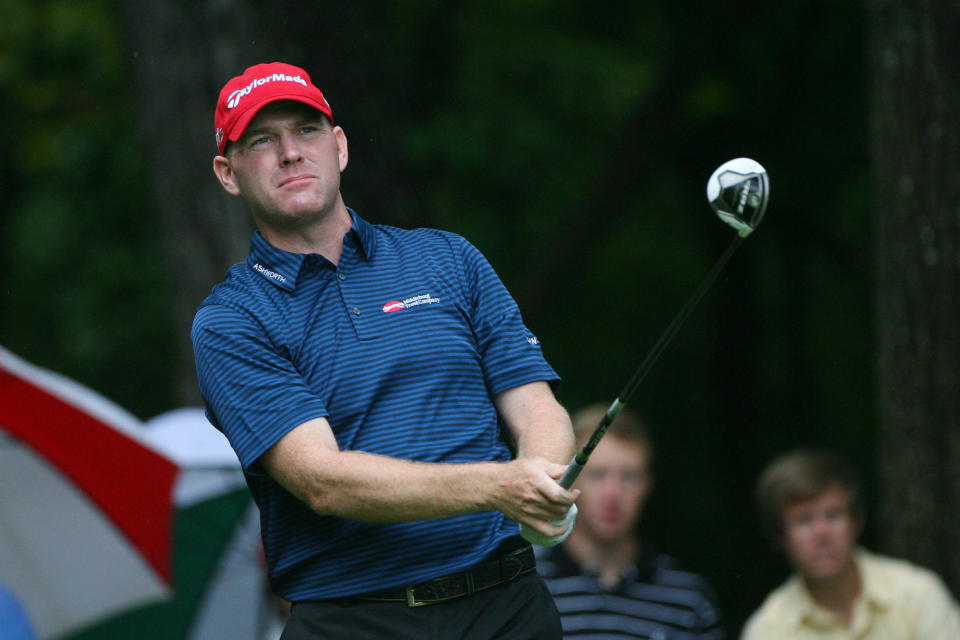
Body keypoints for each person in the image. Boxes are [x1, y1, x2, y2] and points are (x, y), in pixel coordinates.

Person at [192, 61, 579, 640]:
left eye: (306, 130)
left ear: (339, 147)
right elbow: (323, 481)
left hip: (508, 606)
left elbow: (537, 408)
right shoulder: (231, 320)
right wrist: (503, 487)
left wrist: (544, 480)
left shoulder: (449, 258)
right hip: (357, 621)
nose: (291, 153)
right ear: (229, 173)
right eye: (262, 140)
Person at [537, 403, 724, 638]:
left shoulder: (688, 599)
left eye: (629, 476)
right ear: (570, 480)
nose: (613, 493)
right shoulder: (528, 588)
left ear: (648, 485)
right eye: (597, 475)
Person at [741, 447, 960, 639]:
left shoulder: (917, 595)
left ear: (856, 521)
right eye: (804, 521)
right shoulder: (768, 630)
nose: (822, 533)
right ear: (780, 535)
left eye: (833, 515)